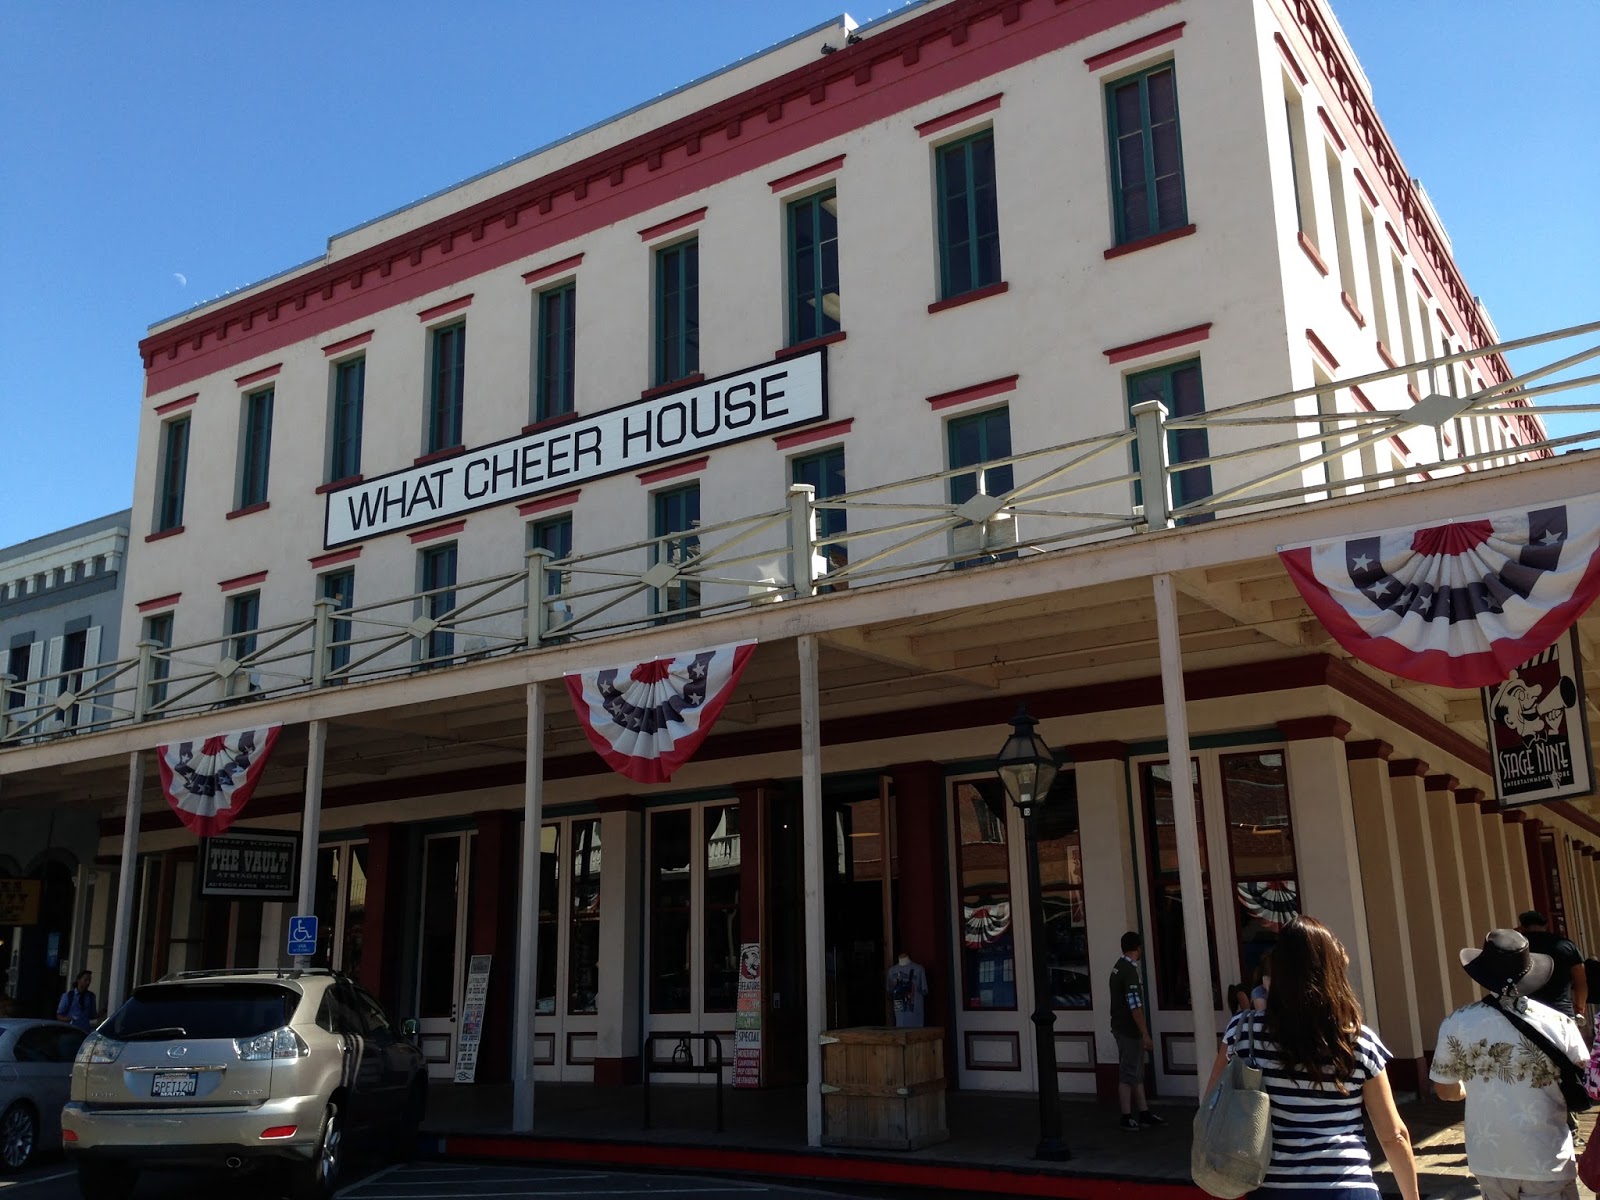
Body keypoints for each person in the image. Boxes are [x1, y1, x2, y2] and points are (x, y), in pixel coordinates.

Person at [1201, 916, 1418, 1199]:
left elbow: (1211, 1102)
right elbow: (1393, 1135)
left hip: (1274, 1188)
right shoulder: (1358, 1041)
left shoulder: (1243, 1032)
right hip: (1348, 1187)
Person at [1432, 928, 1587, 1200]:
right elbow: (1584, 1074)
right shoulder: (1560, 1023)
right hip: (1547, 1156)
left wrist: (1473, 1086)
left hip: (1490, 1159)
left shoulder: (1456, 1023)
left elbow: (1445, 1091)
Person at [1108, 931, 1162, 1132]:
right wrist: (1145, 1033)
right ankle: (1126, 1115)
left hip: (1122, 1027)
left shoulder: (1117, 968)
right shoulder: (1128, 972)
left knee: (1136, 1072)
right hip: (1128, 1030)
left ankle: (1144, 1111)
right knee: (1128, 1072)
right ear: (1138, 948)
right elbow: (1135, 1006)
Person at [1518, 911, 1587, 1024]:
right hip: (1561, 1012)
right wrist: (1580, 1007)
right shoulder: (1566, 945)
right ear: (1545, 925)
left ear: (1522, 927)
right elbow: (1581, 981)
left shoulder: (1518, 947)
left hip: (1527, 1012)